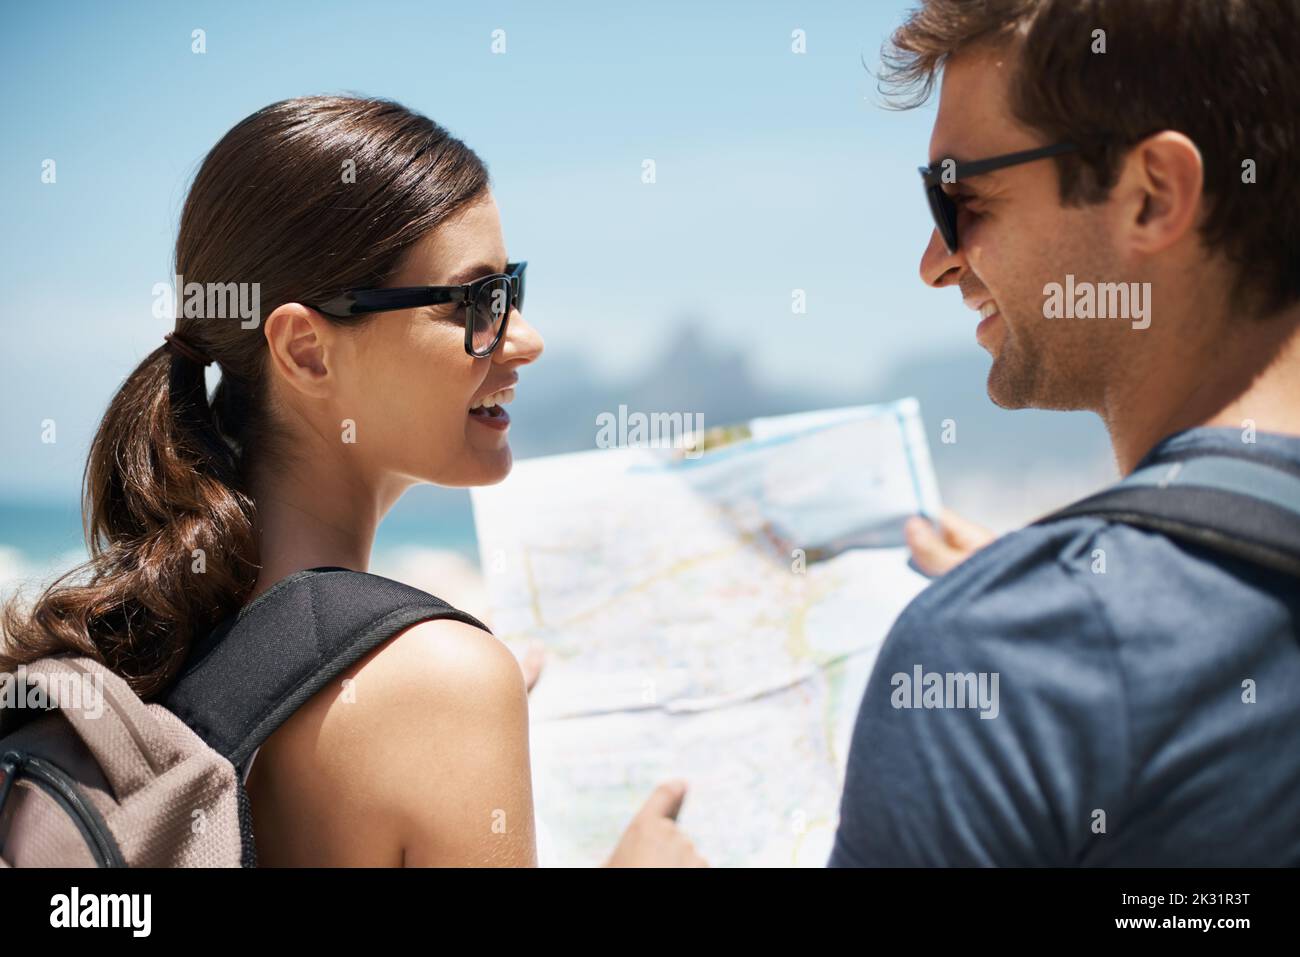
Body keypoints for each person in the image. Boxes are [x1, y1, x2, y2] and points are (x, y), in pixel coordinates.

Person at [0, 95, 705, 867]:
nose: (525, 340)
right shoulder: (443, 683)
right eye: (477, 301)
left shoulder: (151, 643)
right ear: (306, 351)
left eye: (513, 289)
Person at [831, 0, 1300, 865]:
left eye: (961, 196)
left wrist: (1038, 639)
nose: (934, 262)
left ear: (1154, 196)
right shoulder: (1048, 639)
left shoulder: (1007, 657)